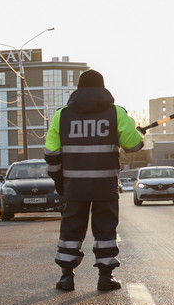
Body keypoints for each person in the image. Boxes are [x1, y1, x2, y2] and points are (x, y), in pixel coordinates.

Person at [44, 69, 144, 292]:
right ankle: (105, 277)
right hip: (104, 186)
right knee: (105, 230)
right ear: (103, 87)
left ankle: (66, 277)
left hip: (74, 186)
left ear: (78, 89)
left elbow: (52, 153)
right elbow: (134, 145)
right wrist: (137, 133)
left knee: (71, 230)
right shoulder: (116, 113)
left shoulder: (62, 115)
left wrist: (59, 180)